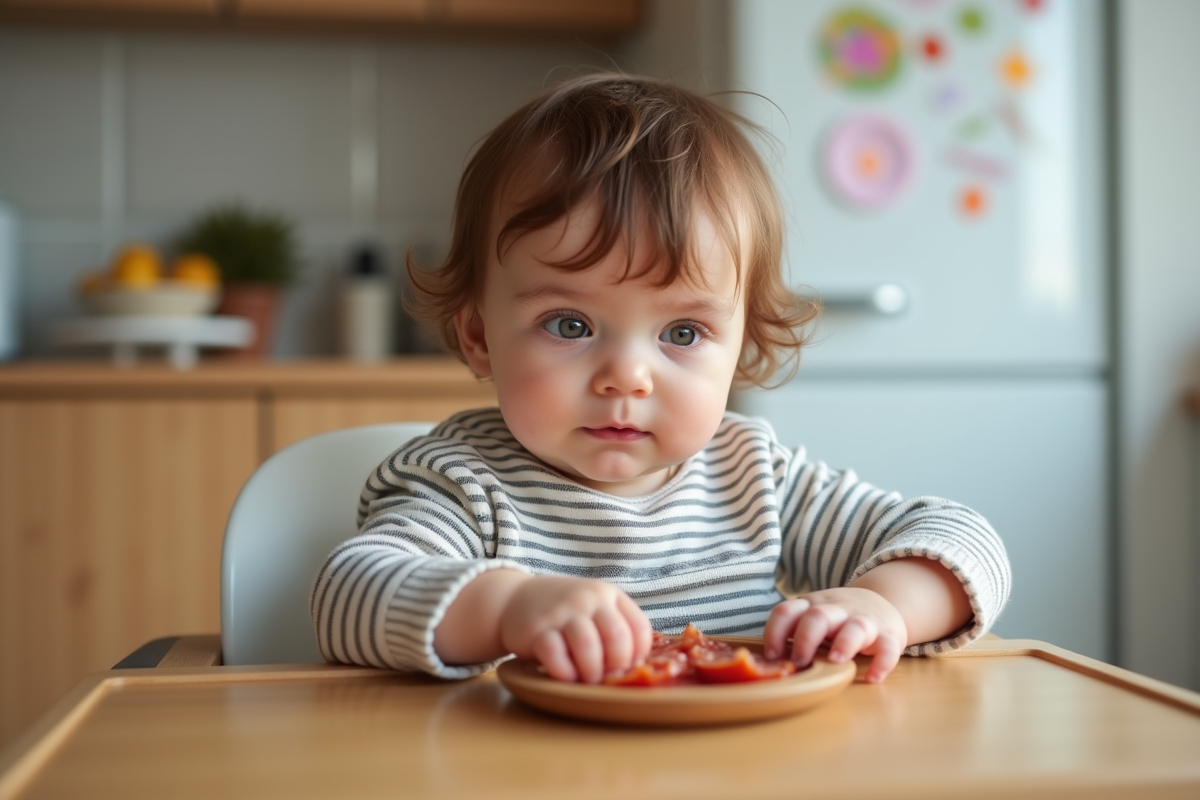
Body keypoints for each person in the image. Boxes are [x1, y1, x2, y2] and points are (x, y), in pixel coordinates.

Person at [311, 73, 1010, 685]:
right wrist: (505, 609)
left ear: (739, 348)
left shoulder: (754, 476)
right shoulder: (462, 484)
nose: (627, 377)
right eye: (570, 324)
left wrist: (883, 604)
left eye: (682, 333)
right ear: (478, 335)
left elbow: (962, 539)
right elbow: (348, 593)